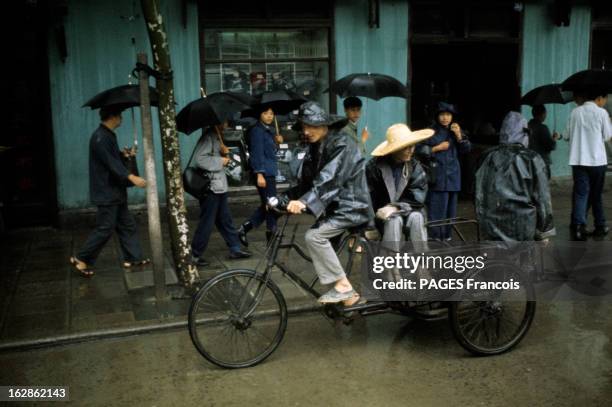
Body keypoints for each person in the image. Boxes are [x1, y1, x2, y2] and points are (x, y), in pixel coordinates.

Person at [282, 101, 373, 305]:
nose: (307, 131)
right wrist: (285, 198)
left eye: (312, 126)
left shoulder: (342, 144)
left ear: (325, 125)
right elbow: (307, 181)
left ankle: (343, 287)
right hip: (335, 206)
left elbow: (329, 179)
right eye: (304, 126)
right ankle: (351, 300)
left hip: (352, 206)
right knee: (320, 251)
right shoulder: (316, 147)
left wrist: (305, 202)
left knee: (314, 237)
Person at [69, 106, 148, 277]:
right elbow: (110, 164)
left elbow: (112, 159)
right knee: (105, 228)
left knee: (127, 224)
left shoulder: (107, 135)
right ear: (112, 116)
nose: (121, 118)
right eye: (119, 114)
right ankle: (81, 258)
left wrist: (123, 155)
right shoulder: (101, 137)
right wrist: (132, 177)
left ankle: (133, 257)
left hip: (114, 191)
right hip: (107, 192)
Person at [190, 122, 251, 266]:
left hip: (219, 186)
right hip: (212, 187)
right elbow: (200, 159)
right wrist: (221, 160)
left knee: (225, 219)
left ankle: (235, 248)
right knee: (207, 222)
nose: (226, 124)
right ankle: (194, 254)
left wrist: (223, 152)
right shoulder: (208, 137)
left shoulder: (217, 136)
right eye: (223, 121)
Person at [366, 123, 434, 245]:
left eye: (412, 146)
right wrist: (369, 226)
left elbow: (418, 196)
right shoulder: (374, 167)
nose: (411, 151)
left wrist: (396, 207)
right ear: (395, 149)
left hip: (410, 210)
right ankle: (390, 262)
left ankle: (421, 260)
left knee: (417, 217)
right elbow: (366, 198)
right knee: (394, 220)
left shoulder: (414, 166)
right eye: (405, 147)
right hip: (382, 215)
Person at [475, 143, 555, 241]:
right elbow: (542, 199)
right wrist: (544, 232)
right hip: (522, 227)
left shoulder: (487, 158)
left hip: (492, 227)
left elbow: (479, 195)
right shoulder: (532, 158)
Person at [416, 102, 471, 240]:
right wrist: (435, 148)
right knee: (436, 211)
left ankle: (447, 238)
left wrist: (458, 135)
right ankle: (434, 239)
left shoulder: (456, 131)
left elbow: (466, 150)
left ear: (452, 116)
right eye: (442, 115)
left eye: (448, 115)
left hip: (453, 177)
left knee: (450, 212)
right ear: (437, 116)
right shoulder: (430, 132)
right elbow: (418, 150)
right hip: (437, 177)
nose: (445, 118)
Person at [566, 91, 612, 240]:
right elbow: (607, 136)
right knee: (596, 194)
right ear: (599, 98)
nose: (605, 102)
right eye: (605, 99)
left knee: (581, 194)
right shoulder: (602, 113)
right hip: (597, 161)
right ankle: (600, 225)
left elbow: (566, 135)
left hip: (579, 160)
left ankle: (579, 228)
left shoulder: (575, 112)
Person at [238, 106, 283, 245]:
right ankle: (271, 234)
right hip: (264, 173)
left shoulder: (269, 131)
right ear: (259, 115)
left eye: (271, 113)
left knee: (269, 204)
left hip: (270, 171)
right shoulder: (257, 131)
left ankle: (245, 229)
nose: (269, 116)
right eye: (265, 113)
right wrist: (259, 174)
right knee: (272, 205)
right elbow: (256, 153)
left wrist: (277, 142)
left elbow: (270, 152)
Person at [528, 105, 559, 179]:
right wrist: (554, 138)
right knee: (543, 187)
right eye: (545, 113)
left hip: (530, 161)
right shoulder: (542, 128)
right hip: (542, 162)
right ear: (543, 114)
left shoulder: (528, 125)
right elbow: (551, 146)